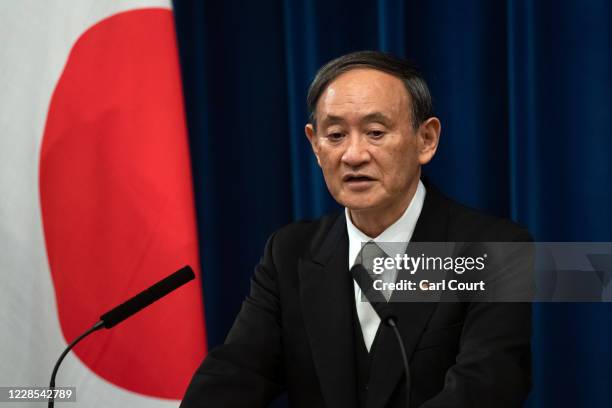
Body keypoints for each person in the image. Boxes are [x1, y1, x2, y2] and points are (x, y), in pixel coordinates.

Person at [180, 51, 532, 408]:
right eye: (335, 135)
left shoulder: (496, 251)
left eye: (375, 133)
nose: (353, 154)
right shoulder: (289, 253)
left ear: (426, 139)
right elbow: (237, 373)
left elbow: (486, 387)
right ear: (315, 146)